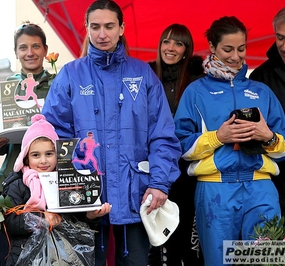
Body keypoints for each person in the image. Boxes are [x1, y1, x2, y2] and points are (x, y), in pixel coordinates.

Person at [42, 1, 182, 265]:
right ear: (86, 28)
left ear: (122, 28)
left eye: (109, 26)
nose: (102, 34)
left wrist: (159, 183)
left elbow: (162, 135)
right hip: (85, 201)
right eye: (95, 27)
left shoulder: (143, 74)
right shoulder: (71, 75)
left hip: (138, 197)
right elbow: (53, 135)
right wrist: (72, 188)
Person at [173, 16, 285, 265]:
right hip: (215, 190)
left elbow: (284, 149)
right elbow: (180, 145)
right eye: (228, 49)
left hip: (261, 188)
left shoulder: (262, 91)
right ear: (212, 47)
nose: (236, 57)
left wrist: (267, 137)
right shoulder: (196, 92)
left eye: (241, 49)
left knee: (265, 262)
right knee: (219, 262)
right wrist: (218, 137)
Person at [0, 21, 56, 265]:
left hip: (51, 180)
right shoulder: (3, 91)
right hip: (14, 182)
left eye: (36, 46)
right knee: (12, 254)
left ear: (45, 50)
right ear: (16, 52)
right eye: (23, 47)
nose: (30, 52)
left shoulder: (59, 85)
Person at [2, 114, 111, 265]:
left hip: (64, 258)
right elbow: (11, 222)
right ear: (25, 157)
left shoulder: (68, 181)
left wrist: (91, 216)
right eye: (35, 155)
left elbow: (78, 224)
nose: (43, 160)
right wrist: (41, 219)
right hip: (25, 257)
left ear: (58, 155)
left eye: (49, 154)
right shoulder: (17, 185)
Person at [147, 24, 204, 266]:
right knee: (158, 234)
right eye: (166, 42)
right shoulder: (146, 75)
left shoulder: (197, 82)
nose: (170, 48)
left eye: (178, 43)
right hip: (154, 167)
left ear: (186, 50)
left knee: (186, 231)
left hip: (187, 167)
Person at [250, 4, 285, 225]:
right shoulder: (261, 77)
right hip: (276, 191)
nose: (284, 45)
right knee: (280, 256)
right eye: (280, 37)